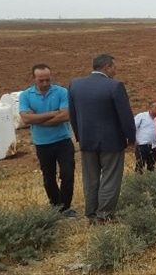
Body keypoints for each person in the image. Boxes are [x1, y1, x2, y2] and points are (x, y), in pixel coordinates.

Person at [68, 54, 136, 223]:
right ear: (106, 67)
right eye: (114, 67)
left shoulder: (76, 85)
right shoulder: (115, 86)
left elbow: (73, 114)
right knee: (110, 178)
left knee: (90, 178)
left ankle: (91, 213)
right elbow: (125, 116)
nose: (116, 70)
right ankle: (104, 215)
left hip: (87, 140)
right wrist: (131, 138)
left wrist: (79, 136)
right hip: (111, 142)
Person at [19, 64, 76, 217]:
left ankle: (65, 207)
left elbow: (65, 115)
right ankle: (56, 205)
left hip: (63, 141)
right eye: (41, 80)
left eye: (47, 80)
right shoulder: (25, 95)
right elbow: (25, 118)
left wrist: (37, 119)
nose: (45, 83)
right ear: (33, 79)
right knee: (48, 177)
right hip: (42, 143)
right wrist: (53, 113)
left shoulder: (62, 92)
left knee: (68, 173)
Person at [134, 101, 156, 173]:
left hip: (153, 146)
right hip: (142, 145)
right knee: (140, 166)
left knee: (152, 167)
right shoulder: (141, 116)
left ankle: (150, 183)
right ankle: (138, 182)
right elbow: (133, 128)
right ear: (150, 108)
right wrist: (134, 140)